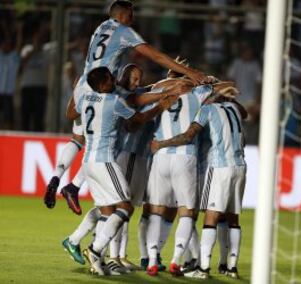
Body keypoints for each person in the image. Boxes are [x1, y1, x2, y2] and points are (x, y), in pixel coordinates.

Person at [44, 0, 208, 210]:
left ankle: (57, 177)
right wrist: (189, 73)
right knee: (114, 131)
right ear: (122, 15)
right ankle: (74, 186)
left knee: (78, 136)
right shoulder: (124, 31)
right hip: (103, 85)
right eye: (131, 15)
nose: (133, 19)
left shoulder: (100, 28)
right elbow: (155, 55)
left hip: (86, 82)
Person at [68, 66, 178, 275]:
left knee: (108, 210)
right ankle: (96, 249)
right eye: (110, 79)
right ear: (102, 84)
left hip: (87, 160)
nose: (114, 81)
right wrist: (161, 105)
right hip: (105, 160)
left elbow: (72, 112)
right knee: (125, 207)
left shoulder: (86, 99)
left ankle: (95, 259)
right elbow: (135, 121)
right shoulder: (113, 101)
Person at [145, 75, 234, 276]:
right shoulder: (197, 94)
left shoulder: (161, 91)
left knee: (156, 211)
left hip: (160, 157)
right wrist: (207, 82)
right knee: (187, 211)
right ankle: (176, 259)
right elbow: (229, 87)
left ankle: (152, 260)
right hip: (185, 157)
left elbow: (154, 88)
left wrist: (170, 83)